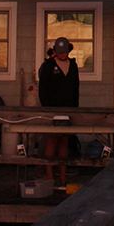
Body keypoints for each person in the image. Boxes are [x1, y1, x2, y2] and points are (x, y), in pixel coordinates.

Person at [38, 37, 80, 188]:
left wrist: (75, 110)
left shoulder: (73, 65)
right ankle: (50, 177)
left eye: (65, 51)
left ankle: (63, 177)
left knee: (64, 141)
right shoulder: (48, 66)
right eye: (60, 51)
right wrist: (47, 110)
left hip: (68, 109)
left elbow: (76, 88)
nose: (63, 54)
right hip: (53, 109)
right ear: (55, 51)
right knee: (52, 140)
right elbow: (43, 90)